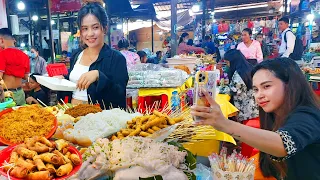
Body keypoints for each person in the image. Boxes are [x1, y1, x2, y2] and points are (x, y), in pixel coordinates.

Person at [191, 58, 320, 179]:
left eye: (266, 86)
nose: (259, 95)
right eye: (255, 89)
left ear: (290, 84)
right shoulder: (275, 115)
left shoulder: (308, 115)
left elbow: (285, 144)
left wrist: (225, 124)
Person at [58, 1, 128, 109]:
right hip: (72, 116)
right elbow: (77, 80)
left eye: (95, 27)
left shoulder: (116, 58)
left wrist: (99, 76)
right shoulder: (77, 55)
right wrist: (63, 79)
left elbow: (119, 95)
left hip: (99, 120)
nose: (90, 33)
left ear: (104, 29)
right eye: (85, 29)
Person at [224, 49, 259, 122]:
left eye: (227, 62)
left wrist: (223, 88)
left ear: (233, 62)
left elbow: (233, 91)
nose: (227, 65)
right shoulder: (248, 67)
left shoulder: (238, 75)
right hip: (254, 106)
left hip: (247, 111)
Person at [0, 28, 30, 105]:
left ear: (1, 40)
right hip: (20, 93)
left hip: (7, 95)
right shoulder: (24, 56)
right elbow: (26, 77)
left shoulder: (2, 54)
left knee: (7, 116)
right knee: (21, 115)